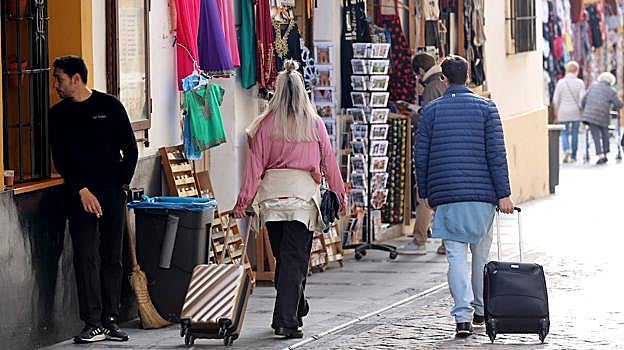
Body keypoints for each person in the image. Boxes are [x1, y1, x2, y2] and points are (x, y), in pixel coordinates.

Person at [233, 60, 346, 339]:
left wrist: (243, 201)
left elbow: (254, 168)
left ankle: (295, 307)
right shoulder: (315, 124)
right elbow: (329, 162)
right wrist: (340, 195)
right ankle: (287, 320)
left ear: (277, 92)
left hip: (271, 200)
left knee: (285, 258)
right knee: (294, 259)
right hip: (302, 200)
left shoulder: (263, 126)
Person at [415, 55, 514, 337]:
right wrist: (503, 194)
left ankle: (462, 317)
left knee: (456, 258)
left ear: (444, 79)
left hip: (447, 196)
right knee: (481, 256)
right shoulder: (487, 108)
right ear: (468, 77)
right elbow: (497, 155)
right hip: (482, 197)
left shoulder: (431, 111)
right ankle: (482, 309)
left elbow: (421, 156)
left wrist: (425, 193)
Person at [49, 56, 138, 344]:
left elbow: (130, 148)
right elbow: (61, 159)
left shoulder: (109, 106)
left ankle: (111, 319)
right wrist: (81, 189)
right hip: (79, 194)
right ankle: (92, 321)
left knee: (112, 255)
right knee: (86, 256)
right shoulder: (58, 115)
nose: (55, 85)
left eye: (59, 78)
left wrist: (120, 185)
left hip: (111, 191)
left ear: (76, 78)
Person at [400, 52, 446, 255]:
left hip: (433, 148)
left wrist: (414, 116)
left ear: (420, 71)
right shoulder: (441, 82)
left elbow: (428, 120)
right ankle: (446, 242)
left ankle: (420, 238)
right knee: (442, 198)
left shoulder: (431, 86)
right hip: (443, 147)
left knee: (424, 196)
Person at [581, 72, 624, 165]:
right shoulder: (611, 91)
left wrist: (586, 109)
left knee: (595, 135)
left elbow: (583, 100)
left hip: (590, 115)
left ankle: (600, 155)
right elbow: (619, 104)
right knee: (605, 134)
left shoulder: (592, 87)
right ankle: (605, 153)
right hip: (603, 116)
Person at [552, 61, 585, 163]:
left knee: (564, 132)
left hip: (563, 112)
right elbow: (582, 99)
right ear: (576, 70)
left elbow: (555, 100)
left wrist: (556, 114)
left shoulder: (561, 82)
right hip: (575, 112)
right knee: (575, 133)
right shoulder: (580, 83)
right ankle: (574, 156)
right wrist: (582, 111)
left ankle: (566, 149)